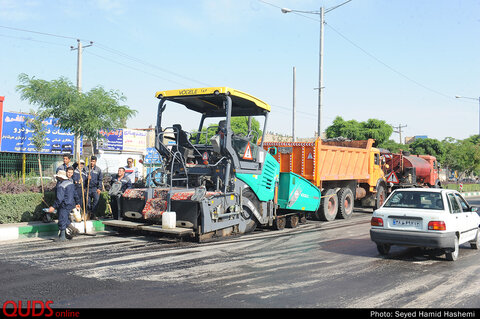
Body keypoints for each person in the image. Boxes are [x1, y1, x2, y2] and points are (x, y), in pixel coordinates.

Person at [48, 170, 80, 242]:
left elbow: (59, 198)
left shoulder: (61, 186)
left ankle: (62, 237)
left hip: (64, 204)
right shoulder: (70, 183)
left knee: (62, 219)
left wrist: (53, 206)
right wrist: (77, 202)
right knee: (65, 219)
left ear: (60, 177)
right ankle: (68, 232)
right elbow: (75, 194)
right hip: (70, 204)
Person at [86, 156, 103, 220]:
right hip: (88, 188)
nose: (92, 163)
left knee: (96, 201)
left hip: (95, 188)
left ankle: (93, 214)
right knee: (88, 202)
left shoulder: (98, 169)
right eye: (91, 161)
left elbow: (100, 180)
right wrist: (87, 179)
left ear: (95, 161)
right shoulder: (86, 168)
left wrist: (99, 188)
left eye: (93, 161)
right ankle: (88, 214)